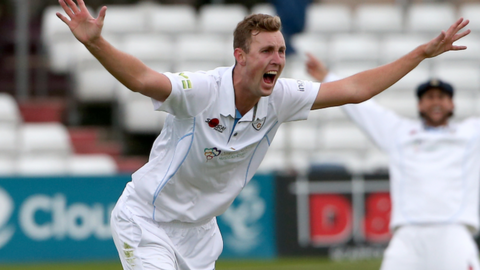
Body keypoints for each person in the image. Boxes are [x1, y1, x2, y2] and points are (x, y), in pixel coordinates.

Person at [56, 0, 470, 268]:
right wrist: (97, 43)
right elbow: (143, 79)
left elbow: (356, 90)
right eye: (267, 52)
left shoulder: (283, 96)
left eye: (282, 51)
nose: (278, 60)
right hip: (147, 220)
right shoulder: (202, 90)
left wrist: (420, 53)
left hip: (201, 232)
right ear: (240, 57)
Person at [306, 53, 480, 270]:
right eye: (429, 97)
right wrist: (327, 76)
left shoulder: (472, 134)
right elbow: (364, 110)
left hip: (454, 231)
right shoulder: (400, 133)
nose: (436, 102)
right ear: (420, 105)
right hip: (408, 234)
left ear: (452, 104)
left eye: (441, 97)